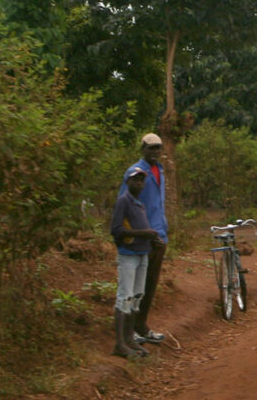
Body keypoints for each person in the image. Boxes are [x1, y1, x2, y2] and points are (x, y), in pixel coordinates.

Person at [119, 133, 168, 345]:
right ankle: (130, 331)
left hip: (159, 234)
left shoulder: (160, 171)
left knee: (150, 285)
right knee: (135, 288)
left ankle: (142, 325)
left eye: (158, 148)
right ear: (143, 149)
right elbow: (127, 204)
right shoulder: (136, 173)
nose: (155, 152)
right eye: (151, 148)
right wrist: (144, 233)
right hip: (142, 237)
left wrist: (162, 230)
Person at [110, 167, 161, 358]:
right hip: (128, 254)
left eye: (141, 180)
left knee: (137, 296)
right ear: (127, 182)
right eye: (135, 180)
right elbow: (116, 229)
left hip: (142, 253)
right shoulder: (123, 201)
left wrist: (151, 238)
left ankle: (129, 339)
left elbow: (138, 228)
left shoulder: (139, 203)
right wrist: (143, 234)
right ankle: (120, 344)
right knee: (125, 297)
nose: (139, 184)